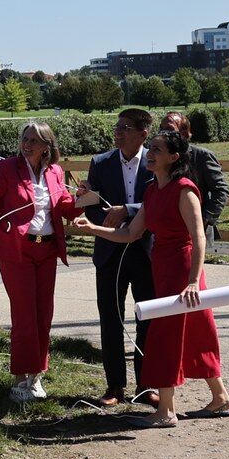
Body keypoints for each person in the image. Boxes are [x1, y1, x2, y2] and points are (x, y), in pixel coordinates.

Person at [71, 128, 229, 426]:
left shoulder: (185, 189)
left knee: (164, 336)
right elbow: (131, 233)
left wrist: (193, 281)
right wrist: (92, 229)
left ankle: (165, 411)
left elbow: (199, 239)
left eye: (157, 150)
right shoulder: (153, 190)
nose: (150, 153)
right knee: (196, 334)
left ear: (173, 157)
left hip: (183, 271)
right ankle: (220, 397)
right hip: (163, 268)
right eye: (151, 148)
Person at [0, 121, 82, 402]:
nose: (28, 144)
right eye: (25, 138)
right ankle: (21, 379)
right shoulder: (8, 168)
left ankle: (37, 376)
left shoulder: (56, 171)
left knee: (43, 313)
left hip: (46, 251)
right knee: (25, 316)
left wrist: (82, 203)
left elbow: (65, 206)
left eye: (34, 140)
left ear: (48, 145)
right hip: (17, 251)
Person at [82, 108, 155, 407]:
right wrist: (105, 219)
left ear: (143, 134)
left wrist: (129, 211)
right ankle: (114, 386)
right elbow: (89, 205)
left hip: (145, 252)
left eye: (126, 127)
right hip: (109, 252)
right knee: (110, 319)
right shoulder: (100, 162)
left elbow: (159, 201)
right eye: (118, 126)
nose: (119, 132)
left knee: (147, 318)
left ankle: (146, 384)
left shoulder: (155, 160)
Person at [160, 111, 229, 244]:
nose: (163, 134)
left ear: (184, 133)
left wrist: (204, 219)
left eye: (169, 129)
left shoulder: (202, 156)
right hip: (166, 230)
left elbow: (221, 191)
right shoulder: (157, 157)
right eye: (161, 129)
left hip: (195, 232)